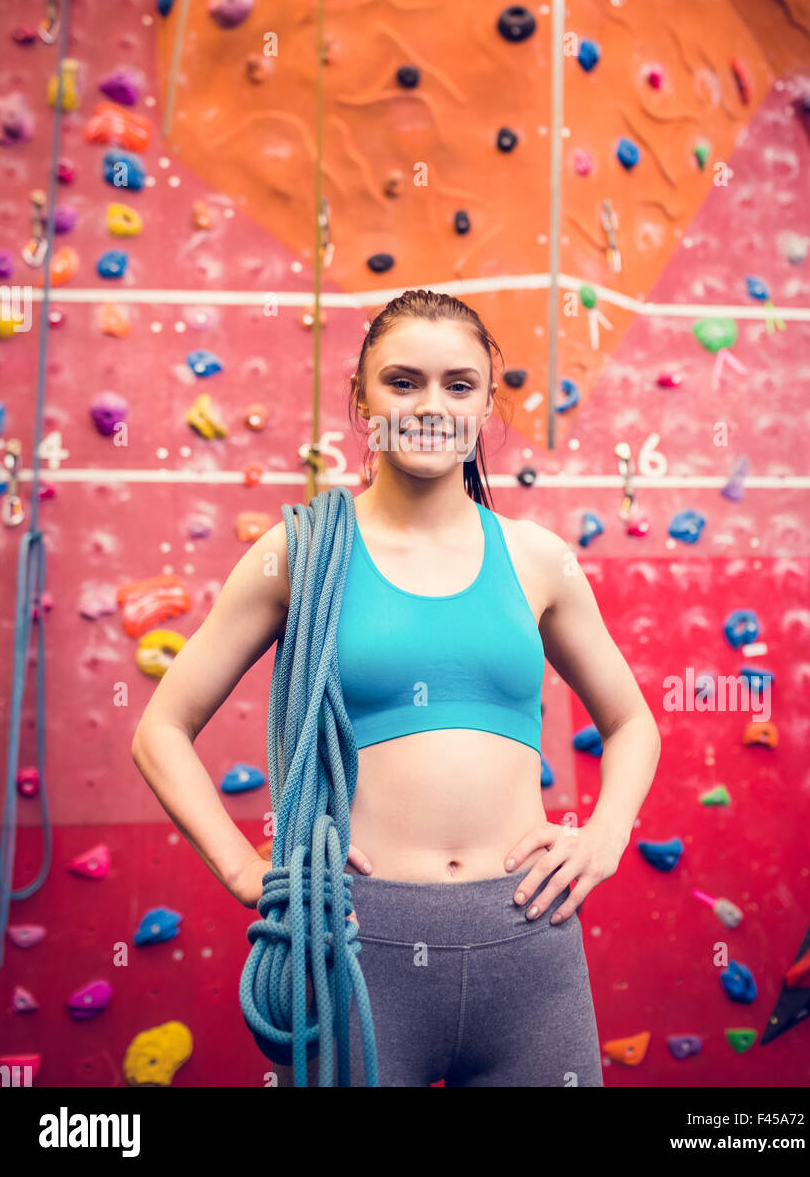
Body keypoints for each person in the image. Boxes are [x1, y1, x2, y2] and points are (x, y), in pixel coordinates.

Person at [132, 288, 661, 1087]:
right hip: (357, 942)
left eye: (458, 385)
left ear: (487, 401)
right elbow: (159, 730)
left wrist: (606, 835)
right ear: (361, 398)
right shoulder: (300, 553)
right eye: (402, 381)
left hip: (529, 944)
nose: (430, 405)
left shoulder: (538, 559)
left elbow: (631, 723)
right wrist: (251, 874)